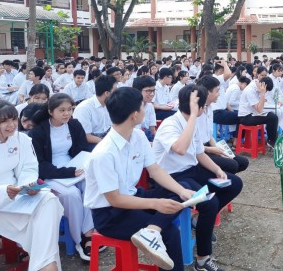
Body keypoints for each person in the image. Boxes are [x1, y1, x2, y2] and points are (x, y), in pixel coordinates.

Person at [85, 87, 195, 271]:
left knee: (182, 189)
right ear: (134, 115)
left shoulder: (138, 135)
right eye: (143, 106)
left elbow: (155, 169)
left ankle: (152, 230)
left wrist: (181, 192)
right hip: (110, 214)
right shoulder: (103, 153)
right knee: (170, 233)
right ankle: (156, 231)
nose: (146, 108)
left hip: (133, 196)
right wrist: (155, 204)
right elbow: (115, 199)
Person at [153, 84, 243, 271]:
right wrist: (193, 116)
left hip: (192, 170)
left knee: (234, 183)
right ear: (199, 107)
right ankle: (202, 259)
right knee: (209, 203)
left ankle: (204, 222)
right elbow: (180, 149)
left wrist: (218, 169)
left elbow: (200, 154)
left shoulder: (190, 122)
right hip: (172, 178)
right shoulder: (171, 124)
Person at [0, 100, 64, 271]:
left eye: (13, 119)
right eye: (4, 121)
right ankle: (48, 266)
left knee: (50, 200)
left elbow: (28, 167)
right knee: (42, 223)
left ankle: (45, 266)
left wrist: (27, 185)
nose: (11, 125)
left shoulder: (21, 138)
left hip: (18, 194)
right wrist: (3, 192)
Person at [29, 94, 95, 261]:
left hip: (74, 168)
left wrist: (81, 167)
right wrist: (68, 172)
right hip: (51, 174)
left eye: (70, 109)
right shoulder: (38, 132)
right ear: (51, 111)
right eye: (62, 110)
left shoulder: (74, 124)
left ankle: (89, 236)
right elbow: (40, 166)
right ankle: (78, 239)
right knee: (71, 195)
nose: (67, 114)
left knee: (91, 186)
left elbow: (83, 150)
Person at [196, 75, 249, 174]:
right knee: (232, 165)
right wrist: (212, 150)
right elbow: (193, 146)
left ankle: (222, 177)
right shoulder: (196, 112)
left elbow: (209, 134)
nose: (219, 94)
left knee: (243, 162)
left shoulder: (209, 108)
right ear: (207, 93)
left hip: (207, 145)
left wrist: (217, 148)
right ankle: (218, 178)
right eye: (217, 91)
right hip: (199, 150)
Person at [73, 75, 117, 149]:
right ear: (106, 93)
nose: (117, 95)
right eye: (115, 92)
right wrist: (107, 142)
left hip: (106, 136)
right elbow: (86, 136)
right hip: (91, 142)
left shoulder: (108, 103)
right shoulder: (84, 108)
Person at [238, 76, 279, 148]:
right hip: (246, 117)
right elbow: (259, 109)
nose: (265, 92)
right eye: (266, 90)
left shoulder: (257, 83)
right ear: (262, 85)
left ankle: (272, 139)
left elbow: (259, 107)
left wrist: (262, 98)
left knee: (273, 116)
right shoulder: (250, 91)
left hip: (253, 113)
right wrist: (262, 94)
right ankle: (272, 141)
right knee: (272, 117)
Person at [132, 76, 157, 142]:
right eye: (148, 91)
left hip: (146, 139)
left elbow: (152, 130)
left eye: (153, 90)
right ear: (137, 91)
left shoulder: (150, 106)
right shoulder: (131, 107)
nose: (152, 94)